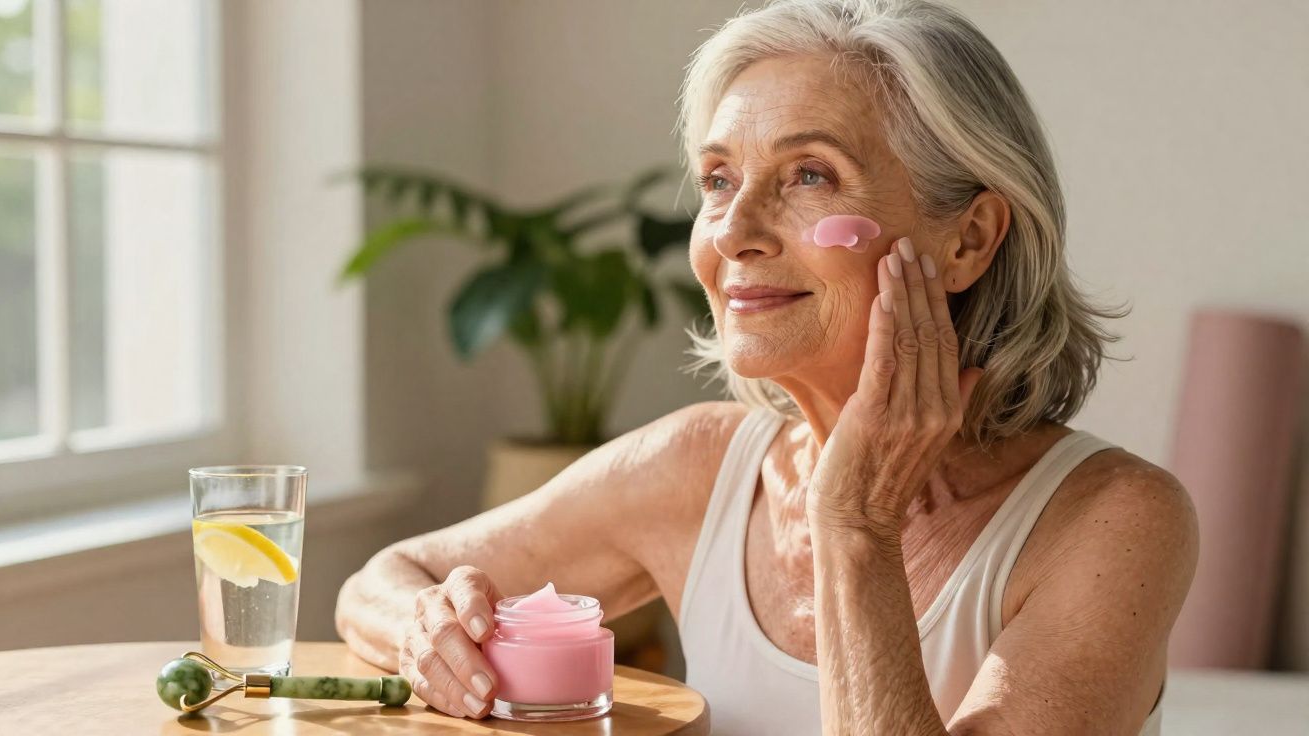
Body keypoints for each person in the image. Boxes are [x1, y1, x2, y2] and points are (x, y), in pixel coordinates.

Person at [335, 1, 1198, 732]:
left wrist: (856, 523)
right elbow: (384, 578)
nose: (734, 231)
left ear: (968, 238)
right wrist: (426, 628)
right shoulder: (700, 467)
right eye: (717, 179)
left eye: (810, 175)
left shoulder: (1115, 521)